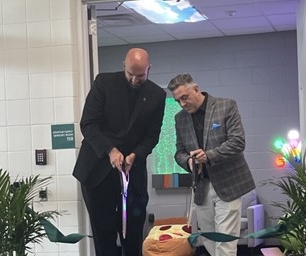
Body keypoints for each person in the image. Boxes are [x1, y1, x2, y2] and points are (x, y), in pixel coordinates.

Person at [73, 48, 166, 256]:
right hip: (97, 171)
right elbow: (88, 124)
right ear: (123, 66)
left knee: (132, 232)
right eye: (130, 74)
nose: (134, 80)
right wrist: (110, 150)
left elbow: (152, 136)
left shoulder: (157, 95)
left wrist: (136, 154)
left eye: (140, 76)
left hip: (132, 172)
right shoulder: (103, 83)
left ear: (149, 69)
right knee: (103, 233)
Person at [167, 73, 255, 256]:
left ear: (196, 89)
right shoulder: (179, 118)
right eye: (178, 101)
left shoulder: (226, 106)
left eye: (185, 97)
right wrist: (189, 161)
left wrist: (208, 156)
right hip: (201, 186)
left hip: (228, 184)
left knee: (225, 240)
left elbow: (238, 142)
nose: (182, 103)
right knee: (208, 238)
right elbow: (179, 152)